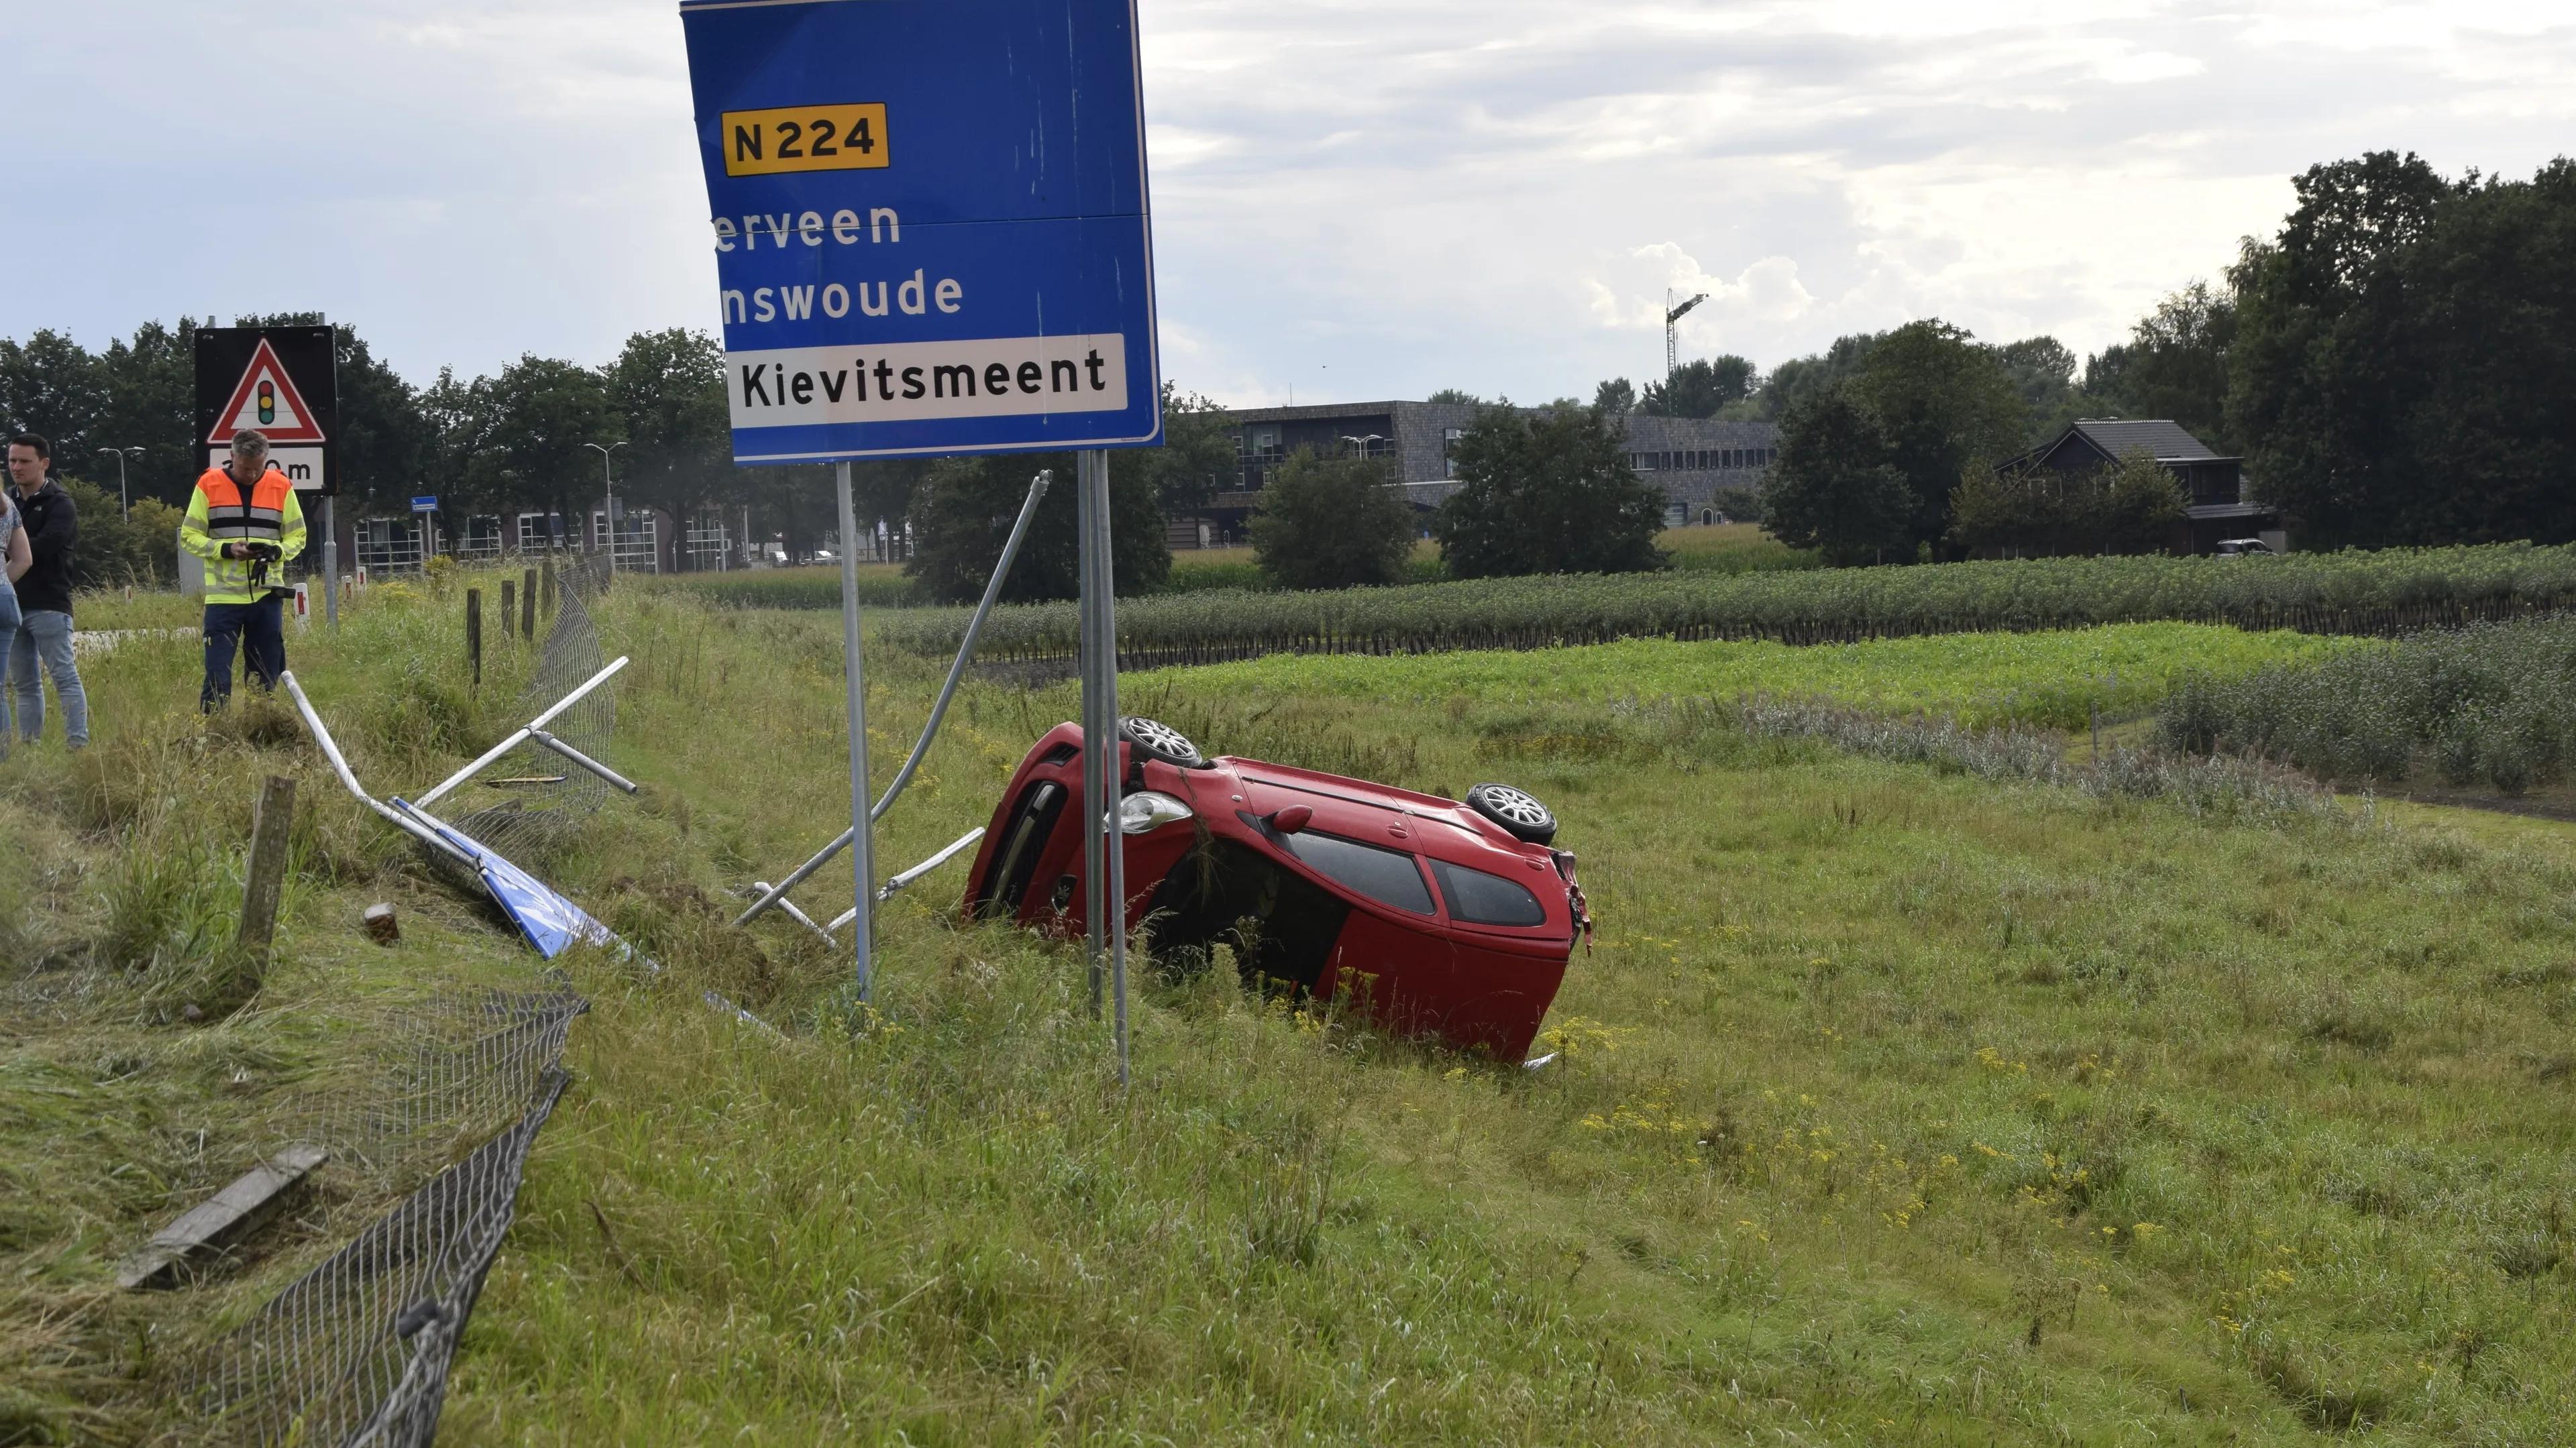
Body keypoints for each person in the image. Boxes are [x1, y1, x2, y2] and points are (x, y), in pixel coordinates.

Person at [181, 429, 308, 710]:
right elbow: (189, 536)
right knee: (217, 674)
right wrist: (227, 549)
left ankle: (261, 724)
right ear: (232, 457)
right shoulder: (208, 484)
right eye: (245, 468)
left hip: (267, 596)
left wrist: (277, 551)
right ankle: (215, 727)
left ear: (266, 460)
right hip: (223, 598)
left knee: (264, 674)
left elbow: (298, 536)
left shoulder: (281, 486)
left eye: (257, 468)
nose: (251, 475)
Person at [5, 434, 88, 749]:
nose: (17, 467)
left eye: (24, 461)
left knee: (64, 676)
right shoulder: (6, 502)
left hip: (49, 604)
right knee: (24, 684)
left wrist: (11, 547)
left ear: (44, 463)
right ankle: (29, 748)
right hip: (12, 604)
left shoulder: (60, 503)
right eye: (12, 460)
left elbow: (47, 545)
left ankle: (77, 745)